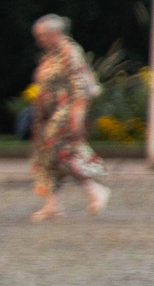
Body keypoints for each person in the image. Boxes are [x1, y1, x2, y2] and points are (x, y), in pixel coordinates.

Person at [28, 13, 110, 222]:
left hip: (64, 112)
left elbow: (79, 85)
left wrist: (77, 115)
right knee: (47, 157)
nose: (40, 40)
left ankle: (95, 190)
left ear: (54, 33)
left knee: (63, 153)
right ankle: (53, 206)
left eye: (42, 35)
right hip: (48, 115)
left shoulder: (69, 51)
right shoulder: (50, 54)